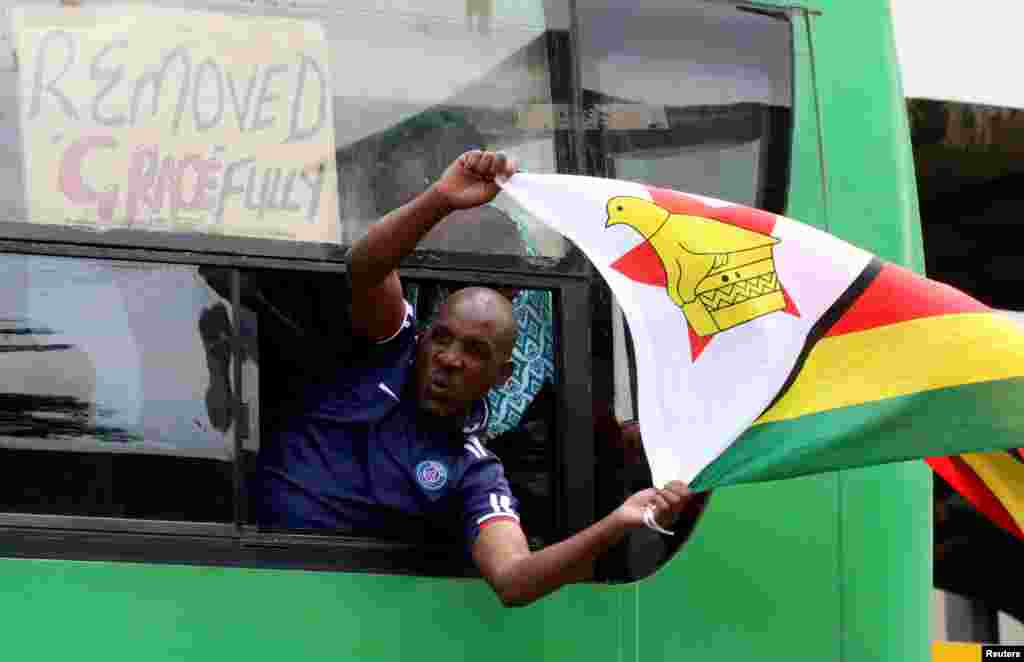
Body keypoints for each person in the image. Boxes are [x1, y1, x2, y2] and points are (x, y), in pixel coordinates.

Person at [255, 149, 707, 606]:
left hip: (324, 593)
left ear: (502, 376)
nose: (449, 359)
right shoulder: (392, 346)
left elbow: (514, 578)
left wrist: (619, 521)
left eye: (474, 352)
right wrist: (441, 199)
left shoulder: (473, 471)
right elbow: (366, 267)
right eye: (443, 339)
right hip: (253, 553)